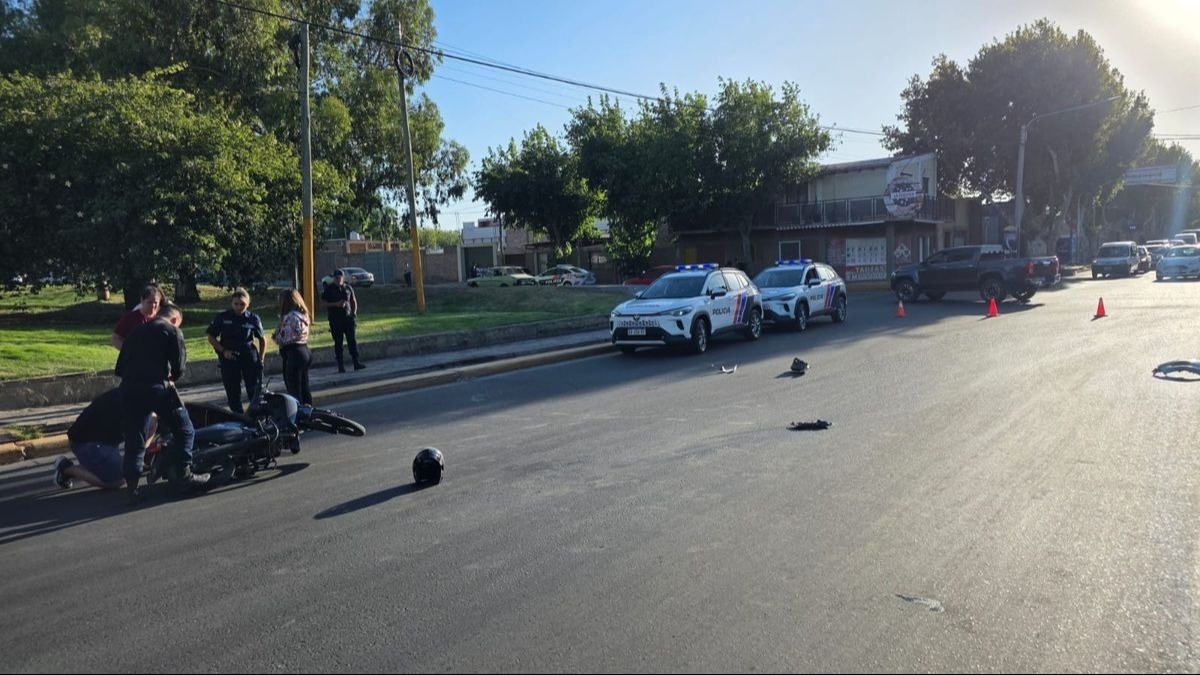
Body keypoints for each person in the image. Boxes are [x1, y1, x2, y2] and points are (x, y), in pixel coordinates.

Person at [115, 302, 206, 505]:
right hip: (157, 388)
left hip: (129, 391)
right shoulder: (172, 331)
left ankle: (132, 489)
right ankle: (184, 473)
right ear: (174, 319)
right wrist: (170, 377)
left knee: (135, 440)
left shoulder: (135, 331)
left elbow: (119, 368)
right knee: (185, 429)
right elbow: (179, 368)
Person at [52, 389, 156, 491]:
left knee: (152, 420)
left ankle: (105, 466)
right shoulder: (132, 405)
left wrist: (143, 451)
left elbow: (153, 420)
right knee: (118, 480)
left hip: (104, 438)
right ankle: (66, 469)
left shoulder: (134, 391)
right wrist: (136, 458)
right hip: (86, 442)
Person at [205, 288, 266, 415]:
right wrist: (223, 351)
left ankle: (256, 417)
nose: (239, 307)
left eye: (242, 304)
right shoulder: (223, 317)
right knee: (233, 391)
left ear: (248, 304)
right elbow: (211, 337)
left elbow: (262, 339)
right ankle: (238, 417)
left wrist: (261, 358)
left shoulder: (253, 318)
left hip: (248, 356)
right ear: (231, 303)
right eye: (236, 304)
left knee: (254, 390)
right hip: (229, 357)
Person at [321, 269, 366, 373]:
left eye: (339, 277)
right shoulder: (329, 289)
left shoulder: (348, 287)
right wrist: (336, 304)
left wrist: (354, 313)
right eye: (336, 278)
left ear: (343, 278)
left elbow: (353, 301)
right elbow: (323, 304)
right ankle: (340, 365)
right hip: (335, 320)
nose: (338, 279)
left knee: (352, 341)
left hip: (348, 318)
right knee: (338, 342)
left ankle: (356, 362)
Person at [273, 289, 312, 405]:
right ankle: (308, 409)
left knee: (293, 388)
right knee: (304, 386)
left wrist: (275, 335)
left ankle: (297, 411)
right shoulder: (303, 315)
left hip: (293, 352)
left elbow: (282, 338)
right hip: (304, 349)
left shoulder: (289, 317)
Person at [110, 284, 163, 351]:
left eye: (155, 302)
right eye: (149, 302)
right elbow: (115, 339)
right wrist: (129, 352)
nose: (153, 305)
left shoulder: (162, 318)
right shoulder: (130, 318)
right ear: (142, 300)